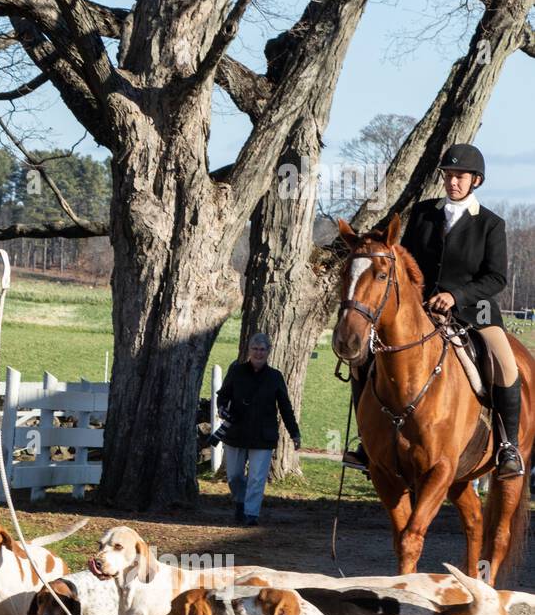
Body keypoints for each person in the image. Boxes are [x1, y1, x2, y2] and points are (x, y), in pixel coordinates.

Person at [343, 143, 523, 478]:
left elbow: (496, 277)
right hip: (422, 311)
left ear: (476, 181)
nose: (453, 182)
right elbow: (406, 265)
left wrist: (456, 296)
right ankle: (367, 443)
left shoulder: (490, 224)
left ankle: (508, 447)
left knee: (506, 364)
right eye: (449, 175)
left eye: (460, 176)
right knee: (363, 359)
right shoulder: (424, 214)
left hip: (475, 311)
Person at [215, 332, 301, 526]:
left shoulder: (275, 377)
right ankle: (240, 501)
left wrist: (294, 432)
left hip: (263, 435)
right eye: (255, 349)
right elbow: (223, 396)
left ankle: (251, 514)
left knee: (257, 478)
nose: (258, 353)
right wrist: (221, 408)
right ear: (249, 350)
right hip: (236, 432)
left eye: (262, 349)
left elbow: (285, 408)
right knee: (234, 476)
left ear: (268, 352)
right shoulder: (236, 372)